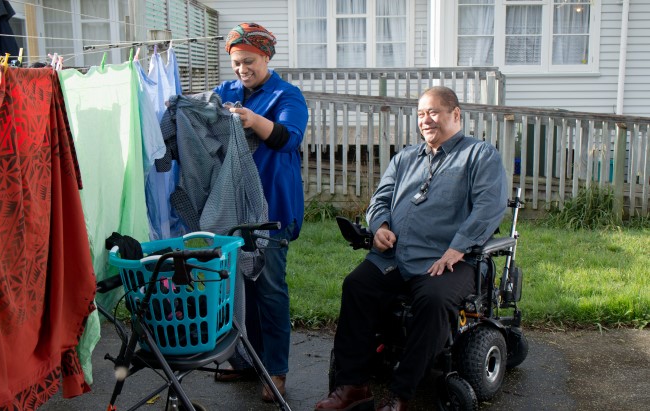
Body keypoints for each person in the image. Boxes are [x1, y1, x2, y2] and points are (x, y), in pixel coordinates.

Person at [314, 86, 507, 411]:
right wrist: (381, 227)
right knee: (357, 286)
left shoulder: (479, 155)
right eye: (421, 114)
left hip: (448, 261)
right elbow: (381, 199)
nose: (425, 120)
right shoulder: (405, 158)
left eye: (433, 112)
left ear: (455, 115)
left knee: (432, 300)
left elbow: (489, 206)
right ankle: (353, 387)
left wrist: (457, 248)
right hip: (396, 255)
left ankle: (402, 396)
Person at [212, 22, 309, 402]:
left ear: (266, 56)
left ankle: (276, 372)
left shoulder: (288, 95)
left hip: (273, 210)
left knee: (269, 291)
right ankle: (250, 361)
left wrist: (253, 120)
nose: (241, 70)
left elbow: (289, 138)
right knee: (243, 289)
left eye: (248, 61)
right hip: (233, 211)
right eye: (236, 63)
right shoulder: (227, 91)